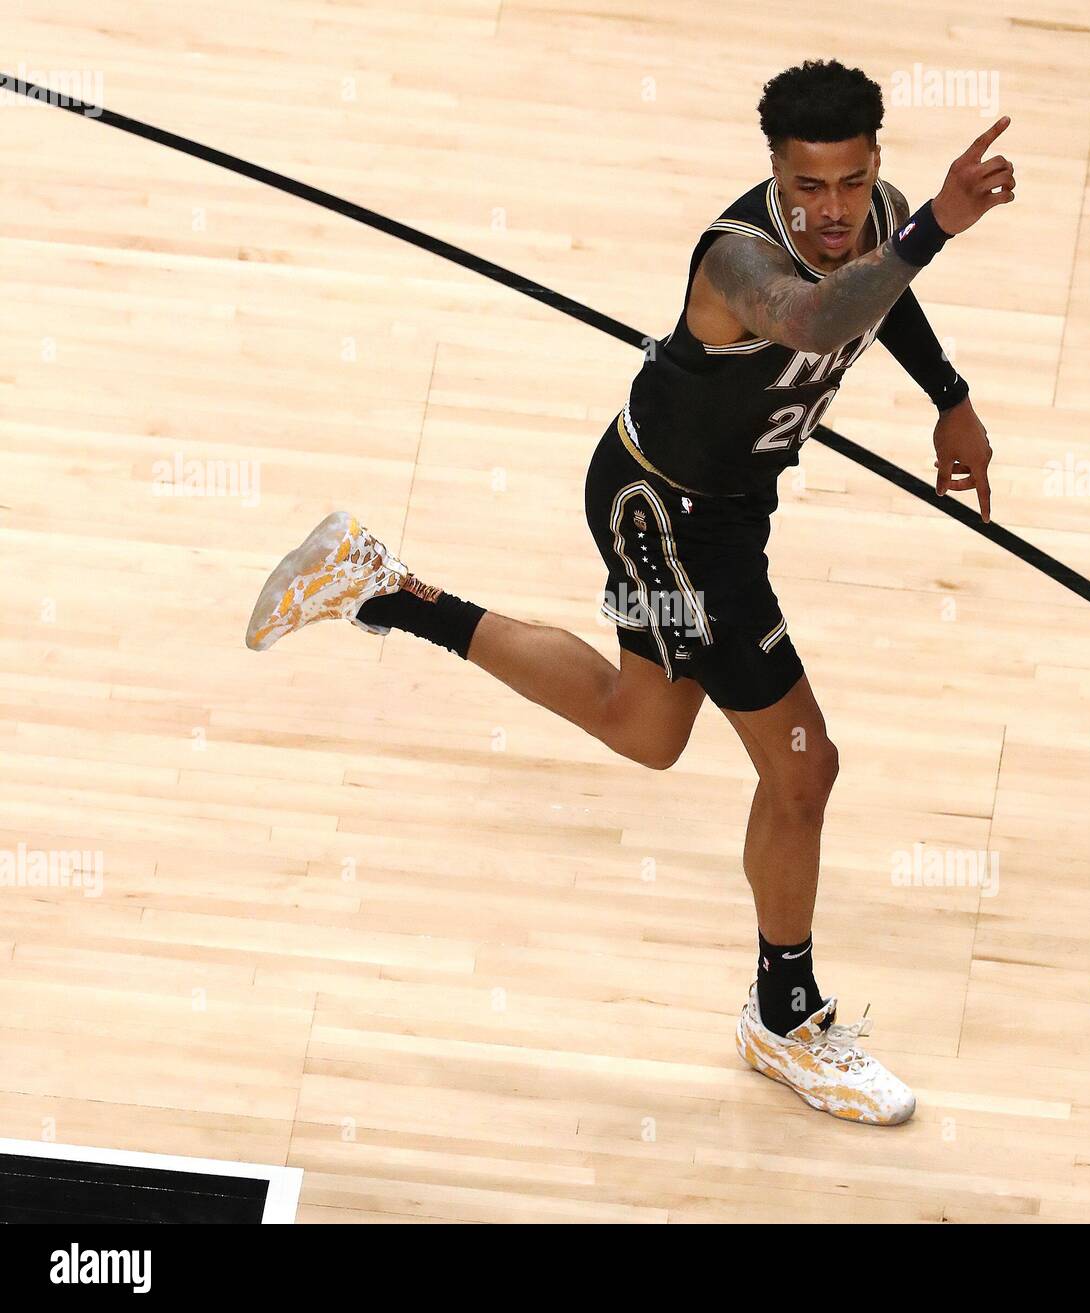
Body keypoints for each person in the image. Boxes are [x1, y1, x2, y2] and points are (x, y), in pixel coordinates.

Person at [245, 59, 1014, 1126]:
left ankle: (382, 589)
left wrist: (949, 397)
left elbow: (881, 289)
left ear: (875, 164)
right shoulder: (740, 262)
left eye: (852, 183)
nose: (834, 210)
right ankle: (785, 1018)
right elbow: (816, 319)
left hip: (710, 505)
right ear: (774, 174)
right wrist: (935, 225)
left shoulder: (877, 220)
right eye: (808, 187)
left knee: (644, 728)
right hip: (670, 519)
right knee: (804, 766)